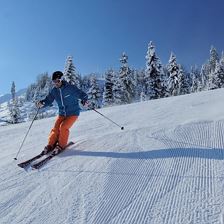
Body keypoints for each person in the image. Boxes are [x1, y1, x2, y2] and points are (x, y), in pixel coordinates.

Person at [36, 71, 88, 154]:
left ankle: (61, 145)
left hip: (73, 113)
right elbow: (48, 100)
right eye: (54, 82)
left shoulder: (70, 88)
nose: (56, 83)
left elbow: (82, 94)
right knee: (56, 128)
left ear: (61, 80)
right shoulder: (54, 91)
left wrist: (84, 100)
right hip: (62, 114)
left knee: (63, 127)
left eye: (57, 81)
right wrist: (42, 103)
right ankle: (50, 145)